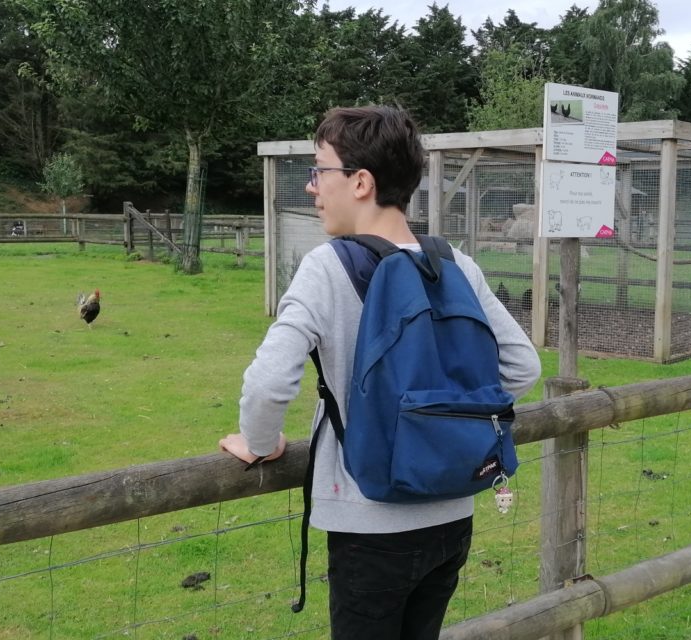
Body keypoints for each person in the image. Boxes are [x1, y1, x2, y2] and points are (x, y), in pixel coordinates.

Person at [218, 105, 541, 640]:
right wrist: (445, 425)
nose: (311, 187)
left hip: (368, 524)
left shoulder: (327, 266)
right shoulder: (453, 262)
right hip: (453, 513)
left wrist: (258, 441)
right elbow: (522, 367)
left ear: (361, 181)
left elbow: (270, 381)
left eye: (321, 170)